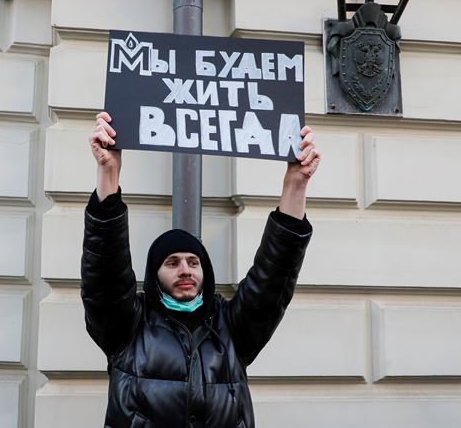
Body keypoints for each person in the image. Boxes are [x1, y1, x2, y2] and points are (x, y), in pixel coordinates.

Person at [81, 111, 320, 428]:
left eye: (193, 262)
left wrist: (296, 183)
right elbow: (105, 274)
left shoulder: (230, 327)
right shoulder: (129, 325)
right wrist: (108, 173)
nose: (185, 270)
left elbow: (273, 278)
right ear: (154, 275)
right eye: (172, 262)